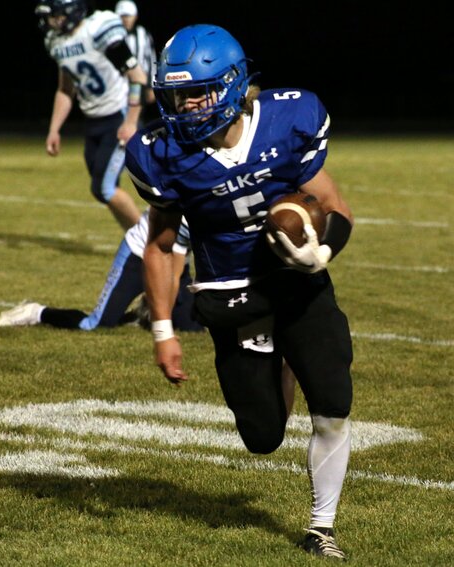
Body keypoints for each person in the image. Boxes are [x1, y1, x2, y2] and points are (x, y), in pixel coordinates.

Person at [125, 24, 355, 560]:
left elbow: (335, 205)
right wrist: (163, 331)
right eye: (176, 95)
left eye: (197, 92)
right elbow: (161, 247)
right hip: (230, 293)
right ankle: (281, 362)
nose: (185, 107)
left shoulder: (287, 120)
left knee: (333, 404)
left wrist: (320, 253)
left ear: (230, 85)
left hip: (295, 282)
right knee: (261, 436)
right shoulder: (161, 154)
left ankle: (322, 526)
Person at [35, 0, 148, 232]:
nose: (51, 22)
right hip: (94, 121)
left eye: (56, 16)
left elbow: (138, 78)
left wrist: (130, 122)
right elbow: (65, 90)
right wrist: (54, 129)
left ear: (72, 12)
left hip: (118, 116)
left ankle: (147, 242)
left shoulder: (97, 31)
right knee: (103, 190)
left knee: (104, 188)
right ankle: (137, 238)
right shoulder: (57, 42)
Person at [0, 210, 202, 332]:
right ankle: (37, 313)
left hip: (175, 259)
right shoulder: (185, 210)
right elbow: (171, 276)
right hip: (138, 256)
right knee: (94, 324)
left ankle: (143, 312)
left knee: (192, 329)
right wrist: (162, 329)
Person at [114, 0, 157, 123]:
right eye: (123, 16)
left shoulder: (142, 34)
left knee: (135, 119)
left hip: (137, 84)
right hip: (117, 85)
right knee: (116, 119)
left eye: (129, 16)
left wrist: (151, 85)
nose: (126, 20)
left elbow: (150, 59)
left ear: (135, 16)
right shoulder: (112, 35)